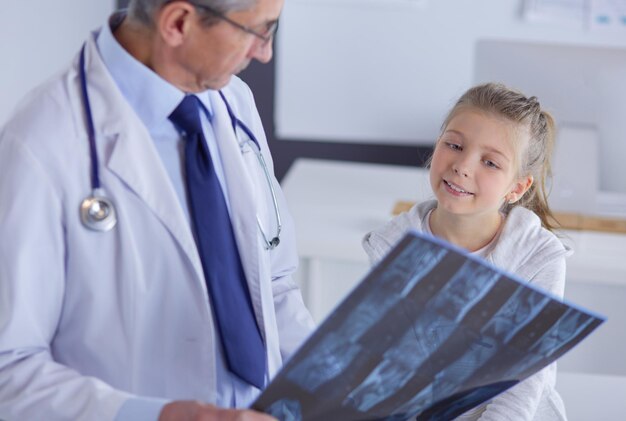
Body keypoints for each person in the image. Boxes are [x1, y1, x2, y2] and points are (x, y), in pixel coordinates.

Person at [0, 0, 315, 420]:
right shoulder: (41, 143)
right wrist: (160, 416)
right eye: (258, 31)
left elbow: (271, 283)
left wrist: (332, 378)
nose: (264, 53)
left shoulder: (232, 102)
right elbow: (9, 367)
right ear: (179, 23)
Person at [362, 82, 569, 420]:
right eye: (454, 145)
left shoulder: (538, 258)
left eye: (490, 163)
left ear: (517, 188)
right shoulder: (393, 247)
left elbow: (522, 389)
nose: (463, 166)